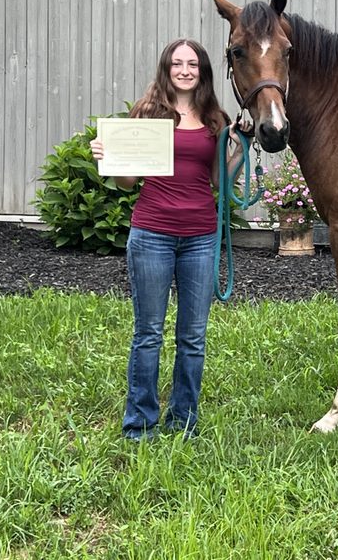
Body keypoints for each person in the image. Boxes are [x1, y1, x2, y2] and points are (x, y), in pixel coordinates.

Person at [90, 38, 249, 440]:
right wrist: (107, 158)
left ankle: (184, 422)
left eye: (192, 64)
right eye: (177, 63)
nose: (184, 70)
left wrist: (239, 149)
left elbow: (218, 183)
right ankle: (140, 424)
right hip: (152, 234)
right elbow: (128, 182)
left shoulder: (215, 118)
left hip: (200, 237)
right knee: (148, 333)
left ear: (203, 71)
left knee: (192, 337)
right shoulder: (147, 113)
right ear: (166, 68)